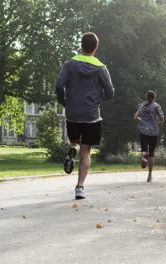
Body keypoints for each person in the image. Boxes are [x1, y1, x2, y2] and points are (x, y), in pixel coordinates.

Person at [56, 32, 114, 199]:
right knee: (86, 151)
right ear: (96, 47)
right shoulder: (101, 68)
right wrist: (97, 98)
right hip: (91, 115)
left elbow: (59, 84)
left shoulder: (69, 64)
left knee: (75, 142)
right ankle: (80, 188)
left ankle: (73, 149)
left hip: (72, 112)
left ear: (81, 45)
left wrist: (64, 101)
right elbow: (110, 92)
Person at [134, 91, 164, 182]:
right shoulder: (157, 106)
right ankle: (150, 175)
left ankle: (144, 155)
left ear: (146, 97)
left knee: (144, 149)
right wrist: (159, 123)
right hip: (153, 132)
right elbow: (162, 116)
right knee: (152, 153)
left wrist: (141, 120)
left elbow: (135, 117)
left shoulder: (142, 105)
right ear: (154, 97)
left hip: (143, 130)